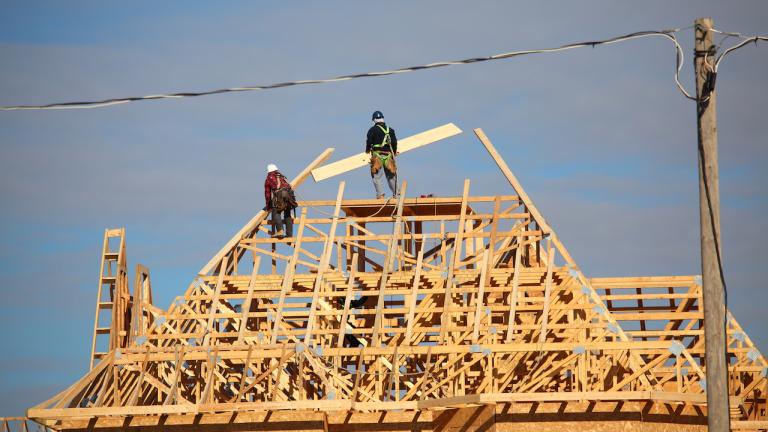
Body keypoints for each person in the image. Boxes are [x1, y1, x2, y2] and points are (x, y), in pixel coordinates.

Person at [365, 111, 398, 199]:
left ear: (374, 120)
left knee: (376, 176)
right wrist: (394, 152)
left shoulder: (372, 130)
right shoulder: (390, 130)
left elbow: (369, 141)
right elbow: (394, 142)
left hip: (377, 156)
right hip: (388, 156)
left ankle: (380, 195)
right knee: (391, 176)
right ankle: (396, 194)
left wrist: (367, 150)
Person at [264, 164, 297, 238]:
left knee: (276, 212)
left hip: (280, 197)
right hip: (289, 198)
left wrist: (268, 205)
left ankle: (280, 231)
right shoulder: (282, 177)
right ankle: (289, 234)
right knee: (287, 214)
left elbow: (267, 194)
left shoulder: (269, 178)